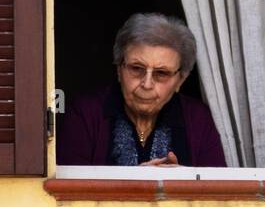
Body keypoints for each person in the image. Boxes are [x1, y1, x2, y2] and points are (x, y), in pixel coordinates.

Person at [56, 13, 226, 167]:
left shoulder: (198, 119)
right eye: (137, 68)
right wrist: (136, 184)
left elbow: (217, 193)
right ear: (119, 69)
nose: (147, 84)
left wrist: (183, 180)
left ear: (180, 79)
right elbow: (67, 193)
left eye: (161, 73)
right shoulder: (85, 113)